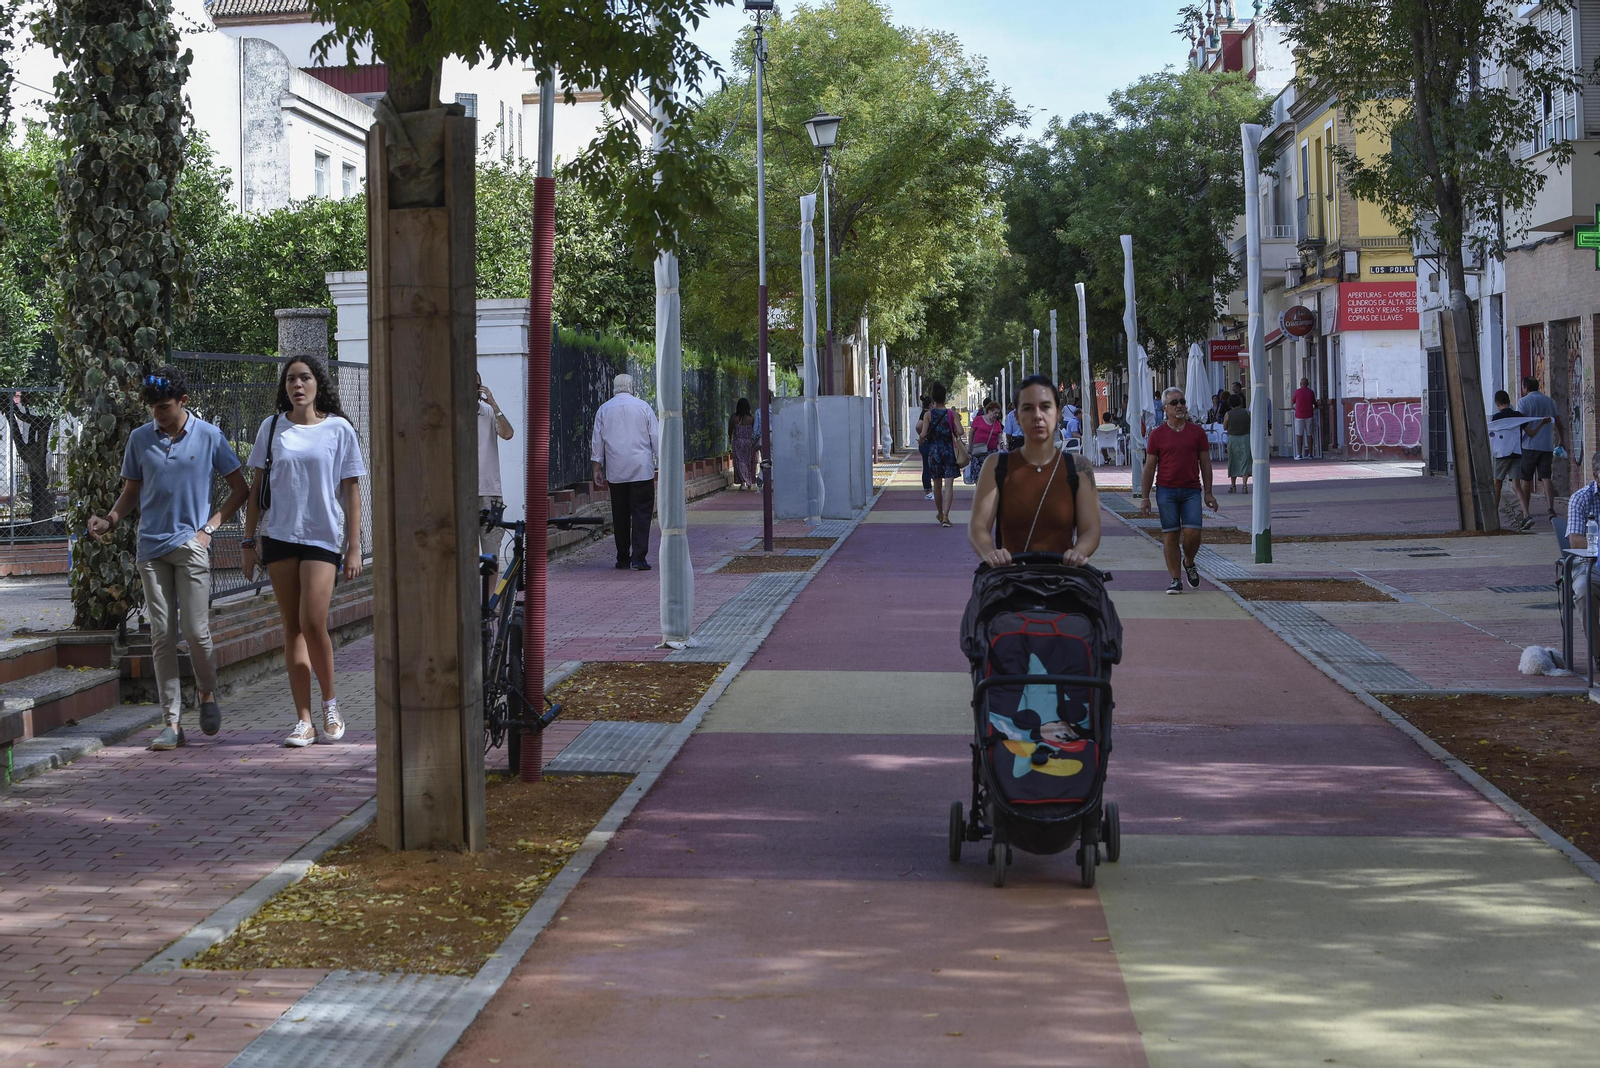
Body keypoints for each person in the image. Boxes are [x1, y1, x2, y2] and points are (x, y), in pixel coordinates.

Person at [88, 367, 249, 751]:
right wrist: (109, 520)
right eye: (153, 409)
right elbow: (131, 492)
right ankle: (172, 722)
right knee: (161, 635)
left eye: (164, 407)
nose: (158, 415)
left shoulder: (209, 435)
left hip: (191, 546)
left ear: (183, 402)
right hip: (151, 548)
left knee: (195, 631)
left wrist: (208, 529)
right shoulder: (140, 439)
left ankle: (208, 694)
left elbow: (241, 490)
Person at [239, 356, 365, 748]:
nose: (298, 385)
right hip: (279, 536)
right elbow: (257, 490)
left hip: (323, 537)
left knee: (313, 621)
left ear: (317, 384)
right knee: (291, 627)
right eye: (291, 379)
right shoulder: (272, 427)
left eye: (305, 377)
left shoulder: (339, 429)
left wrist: (355, 547)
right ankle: (303, 720)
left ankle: (330, 704)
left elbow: (352, 491)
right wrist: (247, 542)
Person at [969, 375, 1102, 568]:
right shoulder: (996, 465)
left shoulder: (1079, 467)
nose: (1037, 416)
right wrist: (991, 554)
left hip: (1062, 582)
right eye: (1028, 408)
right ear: (1016, 416)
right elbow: (978, 526)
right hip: (1012, 581)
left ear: (1058, 414)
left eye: (1045, 407)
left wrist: (1079, 552)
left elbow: (1091, 529)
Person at [1139, 386, 1218, 594]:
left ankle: (1189, 562)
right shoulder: (1157, 435)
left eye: (1182, 401)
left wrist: (1208, 492)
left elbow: (1206, 464)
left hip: (1192, 490)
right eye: (1174, 403)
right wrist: (1145, 497)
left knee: (1193, 533)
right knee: (1170, 535)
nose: (1180, 406)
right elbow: (1149, 467)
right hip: (1166, 491)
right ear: (1165, 408)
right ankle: (1175, 579)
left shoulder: (1197, 432)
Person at [591, 373, 660, 572]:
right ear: (632, 387)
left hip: (616, 470)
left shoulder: (604, 409)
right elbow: (656, 437)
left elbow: (597, 441)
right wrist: (662, 461)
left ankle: (623, 557)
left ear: (614, 388)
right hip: (641, 469)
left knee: (620, 514)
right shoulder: (643, 407)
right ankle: (639, 558)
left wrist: (597, 467)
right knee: (641, 513)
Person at [1515, 376, 1562, 524]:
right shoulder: (1549, 401)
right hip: (1546, 445)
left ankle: (1525, 511)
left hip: (1529, 446)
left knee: (1526, 479)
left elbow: (1521, 423)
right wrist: (1562, 440)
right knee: (1546, 477)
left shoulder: (1523, 402)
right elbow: (1559, 422)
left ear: (1526, 388)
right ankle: (1550, 509)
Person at [477, 374, 514, 561]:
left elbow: (508, 434)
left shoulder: (489, 413)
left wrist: (494, 405)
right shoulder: (450, 414)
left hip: (490, 493)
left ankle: (491, 592)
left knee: (492, 552)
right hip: (460, 495)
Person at [917, 382, 963, 527]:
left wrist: (921, 440)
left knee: (936, 485)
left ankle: (939, 513)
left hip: (934, 452)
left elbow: (923, 434)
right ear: (945, 397)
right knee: (949, 485)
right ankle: (946, 516)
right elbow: (961, 431)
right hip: (948, 450)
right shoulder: (952, 414)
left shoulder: (928, 415)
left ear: (933, 399)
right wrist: (954, 428)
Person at [1488, 390, 1530, 526]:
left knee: (1497, 483)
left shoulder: (1496, 418)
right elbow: (1531, 432)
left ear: (1497, 404)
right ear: (1509, 401)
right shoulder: (1518, 416)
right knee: (1516, 485)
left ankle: (1493, 515)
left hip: (1501, 455)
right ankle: (1526, 514)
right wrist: (1543, 422)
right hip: (1517, 454)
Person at [968, 399, 1004, 481]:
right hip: (978, 452)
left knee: (990, 477)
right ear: (989, 411)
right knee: (978, 476)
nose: (997, 415)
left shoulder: (997, 423)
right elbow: (971, 433)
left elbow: (999, 436)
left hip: (991, 453)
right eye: (995, 412)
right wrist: (970, 446)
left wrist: (1002, 444)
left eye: (998, 413)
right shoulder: (978, 419)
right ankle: (979, 492)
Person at [1224, 393, 1252, 494]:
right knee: (1245, 461)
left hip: (1233, 439)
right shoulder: (1246, 412)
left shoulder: (1228, 414)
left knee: (1233, 461)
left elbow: (1225, 427)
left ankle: (1233, 485)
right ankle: (1244, 485)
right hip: (1245, 439)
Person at [729, 398, 757, 490]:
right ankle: (751, 482)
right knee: (750, 462)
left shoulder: (734, 418)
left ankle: (742, 483)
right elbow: (755, 430)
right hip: (749, 443)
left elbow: (730, 430)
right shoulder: (751, 418)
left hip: (738, 443)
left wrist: (730, 440)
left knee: (739, 462)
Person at [1292, 377, 1317, 459]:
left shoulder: (1297, 392)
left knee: (1299, 435)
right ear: (1308, 384)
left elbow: (1293, 402)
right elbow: (1314, 403)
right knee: (1309, 435)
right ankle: (1310, 454)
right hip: (1309, 415)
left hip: (1299, 416)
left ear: (1300, 384)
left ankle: (1299, 454)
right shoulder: (1311, 392)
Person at [917, 395, 934, 498]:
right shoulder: (926, 414)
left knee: (927, 466)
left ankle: (929, 490)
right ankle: (928, 491)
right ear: (931, 405)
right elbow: (918, 426)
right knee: (928, 467)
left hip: (926, 442)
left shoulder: (924, 413)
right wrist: (923, 436)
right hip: (927, 443)